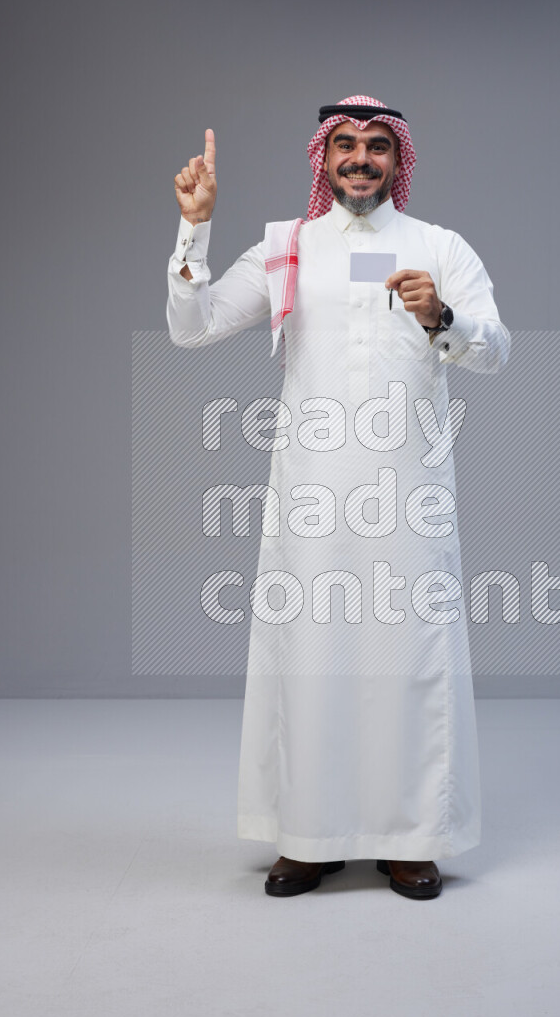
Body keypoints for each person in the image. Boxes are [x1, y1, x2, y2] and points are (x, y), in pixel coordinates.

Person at [167, 95, 510, 900]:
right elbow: (193, 326)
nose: (360, 159)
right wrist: (196, 229)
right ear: (322, 160)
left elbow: (494, 351)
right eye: (345, 146)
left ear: (399, 160)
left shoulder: (439, 248)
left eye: (377, 146)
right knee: (311, 661)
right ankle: (309, 837)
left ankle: (410, 839)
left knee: (410, 660)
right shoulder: (290, 247)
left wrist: (442, 316)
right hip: (313, 501)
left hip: (408, 498)